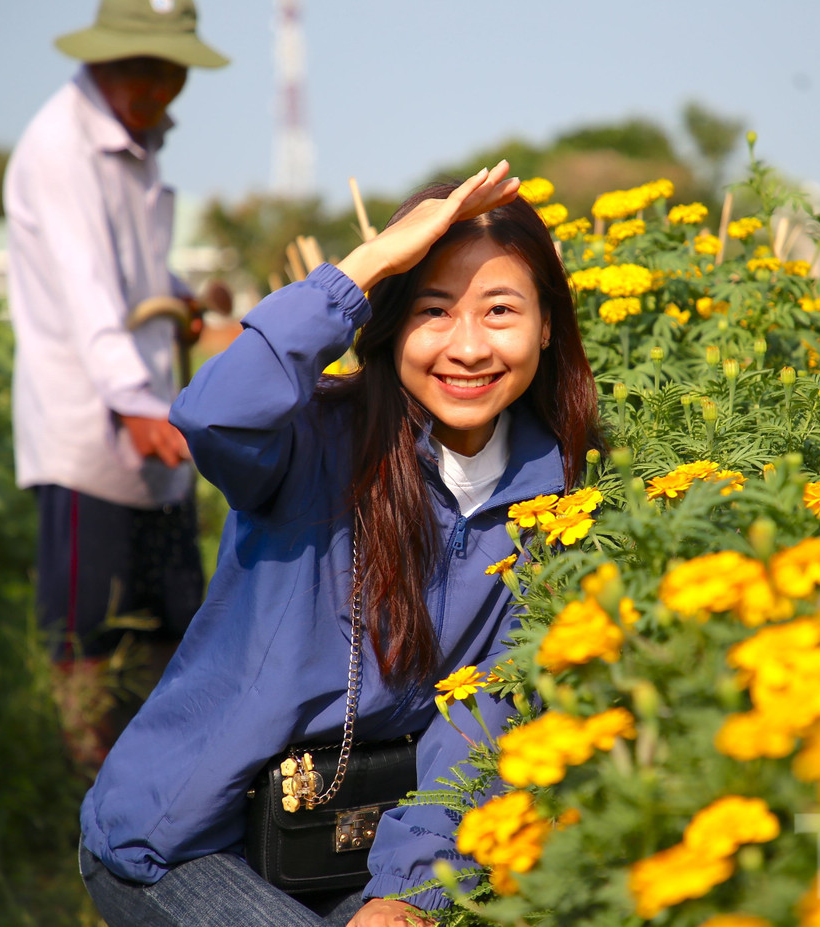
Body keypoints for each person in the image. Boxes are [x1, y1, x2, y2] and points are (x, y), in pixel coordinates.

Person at [77, 161, 602, 926]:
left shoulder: (556, 498)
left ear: (546, 325)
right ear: (390, 324)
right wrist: (365, 266)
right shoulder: (312, 440)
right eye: (433, 310)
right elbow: (213, 415)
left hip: (357, 843)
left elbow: (483, 719)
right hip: (181, 837)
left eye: (499, 310)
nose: (467, 347)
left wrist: (405, 892)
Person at [4, 0, 228, 665]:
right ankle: (82, 733)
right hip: (90, 425)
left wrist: (176, 294)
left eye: (170, 70)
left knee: (172, 630)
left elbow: (129, 264)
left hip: (146, 405)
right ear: (99, 58)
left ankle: (157, 733)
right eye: (138, 68)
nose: (156, 88)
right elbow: (87, 289)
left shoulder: (135, 138)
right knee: (88, 635)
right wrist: (134, 403)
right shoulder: (61, 149)